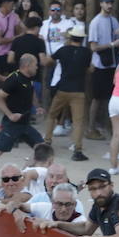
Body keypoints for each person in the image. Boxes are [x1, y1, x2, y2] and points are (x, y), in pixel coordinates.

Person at [0, 53, 42, 172]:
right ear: (27, 65)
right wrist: (10, 115)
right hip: (12, 125)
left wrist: (37, 106)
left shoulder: (29, 79)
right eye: (35, 65)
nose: (37, 67)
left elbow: (31, 93)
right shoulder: (14, 79)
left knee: (41, 148)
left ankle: (22, 174)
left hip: (25, 124)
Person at [43, 24, 92, 161]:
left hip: (62, 88)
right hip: (78, 91)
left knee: (52, 115)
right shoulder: (87, 52)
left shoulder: (63, 50)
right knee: (78, 121)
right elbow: (89, 69)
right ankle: (77, 150)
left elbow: (49, 61)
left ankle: (47, 141)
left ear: (70, 38)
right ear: (82, 39)